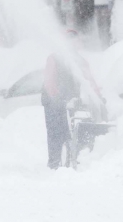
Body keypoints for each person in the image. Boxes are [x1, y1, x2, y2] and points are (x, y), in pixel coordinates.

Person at [41, 30, 103, 169]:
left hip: (69, 101)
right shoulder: (54, 58)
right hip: (52, 101)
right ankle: (54, 163)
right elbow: (49, 81)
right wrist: (56, 98)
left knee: (71, 130)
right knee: (55, 132)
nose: (75, 44)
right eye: (72, 41)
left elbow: (89, 80)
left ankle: (71, 158)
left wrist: (98, 97)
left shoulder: (80, 61)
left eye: (76, 41)